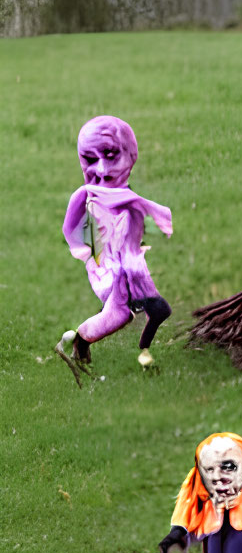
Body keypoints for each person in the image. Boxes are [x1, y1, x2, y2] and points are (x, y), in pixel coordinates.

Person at [56, 116, 173, 383]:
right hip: (115, 272)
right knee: (119, 314)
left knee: (160, 311)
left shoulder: (123, 198)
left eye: (111, 155)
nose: (102, 169)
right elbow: (75, 231)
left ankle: (144, 353)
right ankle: (79, 341)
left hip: (132, 269)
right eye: (89, 159)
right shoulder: (93, 197)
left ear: (131, 156)